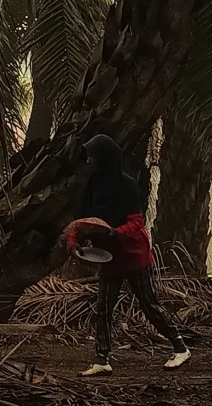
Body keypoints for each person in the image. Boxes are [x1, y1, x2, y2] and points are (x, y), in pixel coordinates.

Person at [62, 133, 191, 377]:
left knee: (149, 304)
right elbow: (80, 222)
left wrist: (114, 232)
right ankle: (101, 359)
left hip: (133, 256)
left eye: (93, 157)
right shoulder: (91, 186)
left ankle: (180, 347)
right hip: (107, 258)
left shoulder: (127, 185)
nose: (89, 161)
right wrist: (74, 243)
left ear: (106, 159)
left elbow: (136, 222)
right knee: (103, 308)